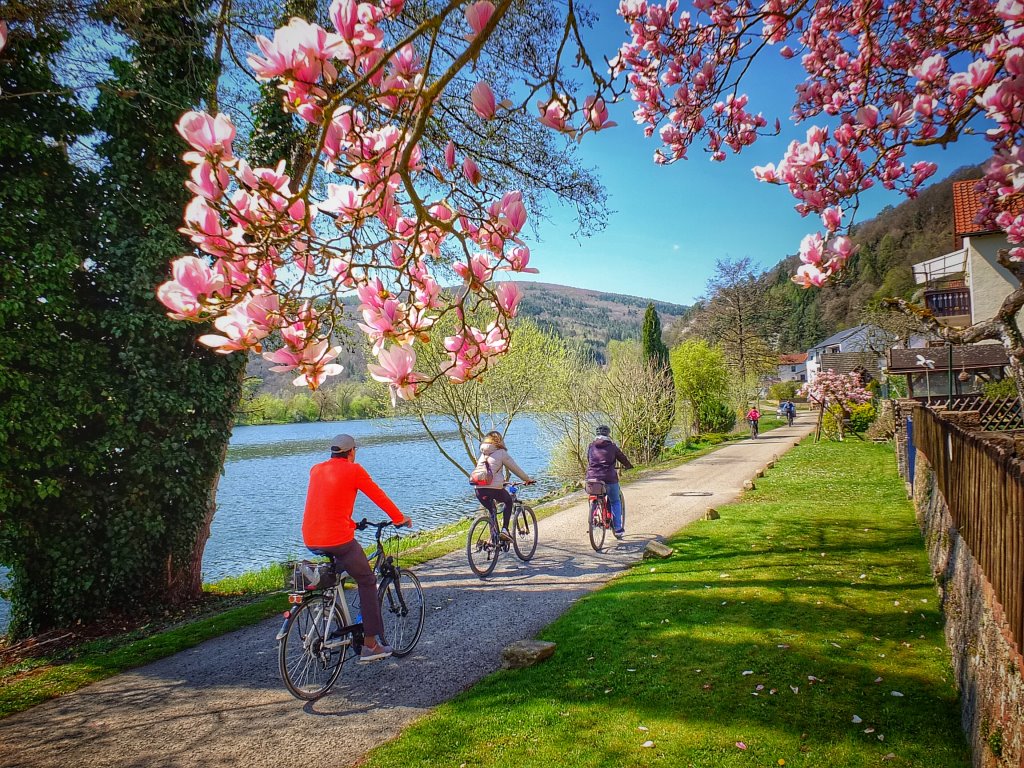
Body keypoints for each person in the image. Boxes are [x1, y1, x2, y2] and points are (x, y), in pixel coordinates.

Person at [302, 434, 412, 662]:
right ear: (352, 451)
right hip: (337, 539)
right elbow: (378, 495)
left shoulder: (317, 469)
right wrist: (399, 518)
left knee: (339, 572)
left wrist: (352, 524)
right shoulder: (354, 470)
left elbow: (328, 504)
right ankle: (370, 645)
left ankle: (333, 609)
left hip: (311, 538)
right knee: (367, 580)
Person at [472, 431, 536, 541]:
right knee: (508, 501)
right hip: (493, 489)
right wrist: (527, 479)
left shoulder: (483, 454)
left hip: (478, 489)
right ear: (500, 441)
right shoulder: (501, 452)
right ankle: (505, 530)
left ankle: (493, 539)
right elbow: (515, 468)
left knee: (492, 511)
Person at [586, 425, 633, 540]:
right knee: (615, 501)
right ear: (608, 434)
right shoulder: (612, 447)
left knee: (595, 496)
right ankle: (617, 529)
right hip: (609, 478)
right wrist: (628, 466)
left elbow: (589, 459)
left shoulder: (591, 446)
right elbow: (621, 457)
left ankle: (594, 517)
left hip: (592, 479)